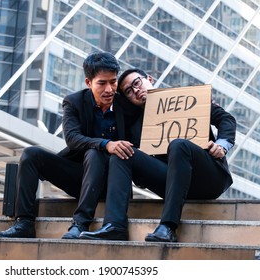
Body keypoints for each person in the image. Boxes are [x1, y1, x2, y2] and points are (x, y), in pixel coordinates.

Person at [79, 68, 236, 242]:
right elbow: (138, 166)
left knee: (178, 145)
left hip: (208, 176)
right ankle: (114, 226)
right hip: (171, 182)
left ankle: (168, 227)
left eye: (137, 83)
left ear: (150, 79)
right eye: (129, 92)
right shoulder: (137, 128)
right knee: (121, 151)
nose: (136, 91)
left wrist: (221, 146)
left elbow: (226, 120)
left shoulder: (186, 98)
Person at [0, 52, 134, 240]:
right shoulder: (74, 102)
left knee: (94, 153)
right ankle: (24, 223)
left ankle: (80, 224)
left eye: (113, 82)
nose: (109, 89)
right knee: (31, 154)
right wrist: (106, 144)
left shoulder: (125, 105)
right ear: (88, 83)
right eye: (102, 83)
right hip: (80, 178)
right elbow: (73, 139)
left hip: (113, 185)